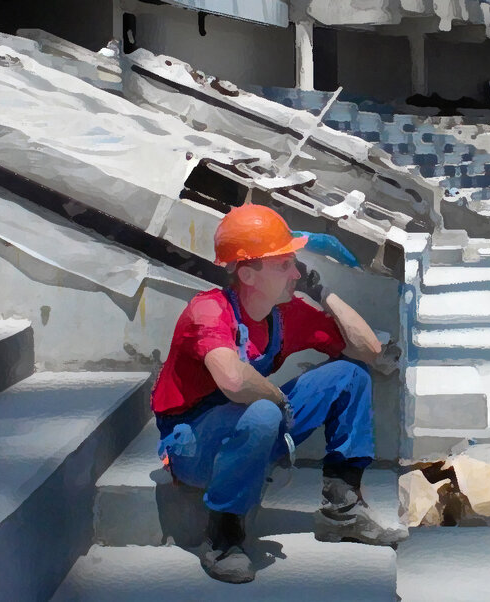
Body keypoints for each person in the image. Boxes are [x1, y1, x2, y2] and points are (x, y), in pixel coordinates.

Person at [150, 204, 406, 584]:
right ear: (248, 274)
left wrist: (323, 293)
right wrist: (279, 401)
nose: (296, 273)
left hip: (255, 425)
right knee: (264, 412)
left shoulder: (285, 314)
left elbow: (368, 349)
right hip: (194, 448)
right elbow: (233, 380)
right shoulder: (207, 311)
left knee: (350, 375)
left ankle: (343, 511)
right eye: (284, 264)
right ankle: (223, 536)